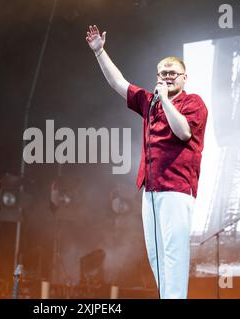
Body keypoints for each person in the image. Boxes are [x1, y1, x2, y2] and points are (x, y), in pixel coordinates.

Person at [86, 25, 208, 299]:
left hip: (177, 189)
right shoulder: (149, 102)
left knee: (174, 254)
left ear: (184, 78)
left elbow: (183, 132)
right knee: (157, 256)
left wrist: (165, 99)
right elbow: (119, 84)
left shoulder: (193, 103)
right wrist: (99, 52)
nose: (166, 77)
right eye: (162, 73)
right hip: (151, 190)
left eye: (172, 73)